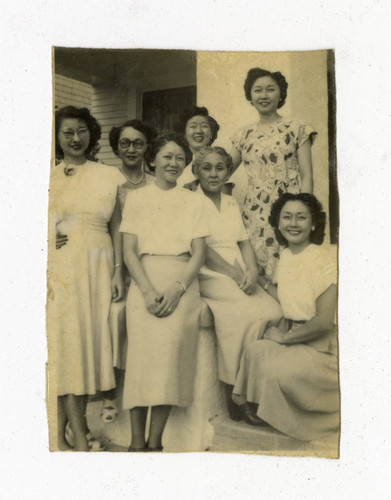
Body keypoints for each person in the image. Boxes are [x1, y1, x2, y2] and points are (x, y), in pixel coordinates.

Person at [120, 133, 209, 451]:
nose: (174, 163)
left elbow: (199, 254)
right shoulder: (136, 198)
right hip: (145, 281)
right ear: (153, 160)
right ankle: (135, 444)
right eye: (167, 157)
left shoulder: (194, 200)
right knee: (142, 364)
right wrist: (146, 292)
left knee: (169, 366)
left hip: (182, 283)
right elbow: (129, 251)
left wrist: (178, 289)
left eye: (180, 158)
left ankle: (154, 444)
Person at [233, 193, 339, 441]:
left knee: (277, 369)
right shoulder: (287, 256)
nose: (293, 224)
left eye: (301, 217)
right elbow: (287, 297)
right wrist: (256, 276)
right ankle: (245, 401)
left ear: (313, 223)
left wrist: (284, 339)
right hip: (296, 338)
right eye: (287, 217)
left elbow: (323, 322)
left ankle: (291, 418)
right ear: (278, 224)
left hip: (322, 348)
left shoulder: (323, 259)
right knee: (255, 350)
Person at [50, 106, 126, 451]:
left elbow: (117, 226)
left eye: (81, 131)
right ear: (57, 137)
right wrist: (47, 240)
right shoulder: (47, 176)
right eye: (68, 132)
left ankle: (63, 436)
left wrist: (117, 271)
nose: (76, 139)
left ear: (91, 134)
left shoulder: (108, 174)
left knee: (87, 349)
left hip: (100, 264)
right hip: (64, 268)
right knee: (69, 349)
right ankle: (78, 439)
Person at [193, 146, 282, 424]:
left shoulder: (230, 202)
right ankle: (236, 393)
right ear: (196, 171)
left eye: (220, 167)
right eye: (207, 167)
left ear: (227, 172)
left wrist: (252, 270)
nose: (214, 173)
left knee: (273, 311)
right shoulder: (190, 201)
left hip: (239, 269)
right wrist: (234, 273)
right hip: (209, 272)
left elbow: (243, 241)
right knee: (246, 316)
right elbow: (202, 249)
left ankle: (260, 388)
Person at [229, 67, 317, 281]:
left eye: (270, 89)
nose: (264, 95)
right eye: (258, 90)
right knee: (260, 269)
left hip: (288, 208)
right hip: (255, 213)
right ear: (250, 96)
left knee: (290, 267)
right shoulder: (242, 134)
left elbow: (307, 175)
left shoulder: (297, 128)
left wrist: (302, 210)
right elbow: (222, 170)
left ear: (280, 94)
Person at [98, 120, 158, 424]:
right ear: (116, 147)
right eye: (125, 143)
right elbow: (114, 227)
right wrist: (119, 271)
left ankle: (143, 387)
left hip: (148, 264)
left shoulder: (156, 182)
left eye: (138, 143)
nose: (131, 149)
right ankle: (110, 392)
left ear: (148, 146)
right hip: (114, 263)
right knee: (115, 316)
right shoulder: (109, 180)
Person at [173, 106, 221, 187]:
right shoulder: (181, 166)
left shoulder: (220, 162)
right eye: (193, 126)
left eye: (204, 126)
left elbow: (224, 198)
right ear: (184, 133)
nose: (199, 131)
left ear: (211, 132)